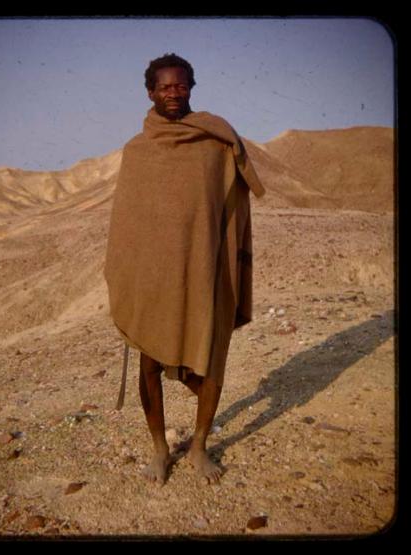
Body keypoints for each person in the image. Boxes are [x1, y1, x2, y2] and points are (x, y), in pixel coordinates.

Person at [104, 53, 265, 485]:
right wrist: (130, 275)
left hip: (203, 269)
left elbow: (232, 209)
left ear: (191, 87)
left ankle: (198, 446)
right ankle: (159, 449)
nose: (173, 93)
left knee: (210, 361)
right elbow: (128, 224)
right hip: (154, 278)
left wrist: (231, 261)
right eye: (164, 87)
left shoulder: (216, 145)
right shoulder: (137, 152)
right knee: (150, 365)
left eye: (181, 86)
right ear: (150, 92)